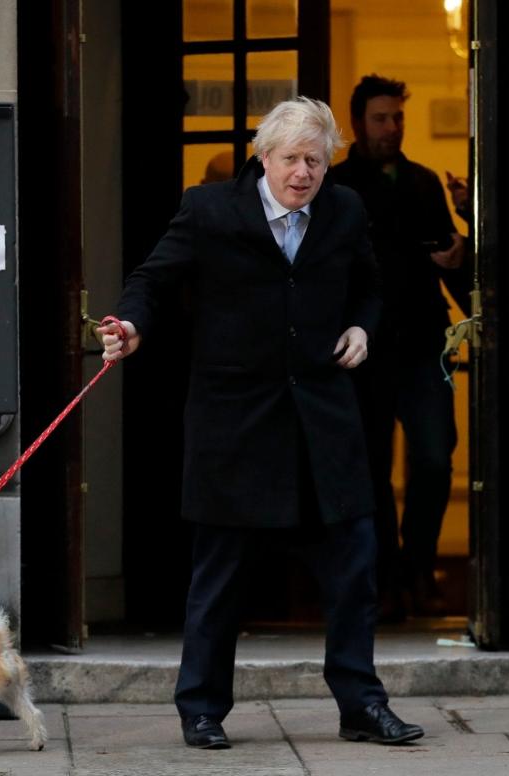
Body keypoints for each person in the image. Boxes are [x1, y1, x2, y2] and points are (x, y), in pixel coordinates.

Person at [97, 97, 424, 749]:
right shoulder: (210, 209)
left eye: (315, 160)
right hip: (236, 424)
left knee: (355, 566)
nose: (303, 173)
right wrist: (130, 324)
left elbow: (369, 285)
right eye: (291, 159)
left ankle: (361, 703)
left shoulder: (346, 209)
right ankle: (202, 708)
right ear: (263, 158)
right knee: (221, 576)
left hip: (324, 422)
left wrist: (362, 326)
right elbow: (153, 280)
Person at [330, 75, 467, 618]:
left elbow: (446, 254)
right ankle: (387, 576)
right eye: (381, 118)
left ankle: (419, 564)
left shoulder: (424, 181)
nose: (392, 127)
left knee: (435, 459)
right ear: (360, 122)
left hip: (423, 342)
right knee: (372, 468)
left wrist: (458, 250)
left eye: (397, 118)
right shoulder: (338, 187)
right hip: (363, 350)